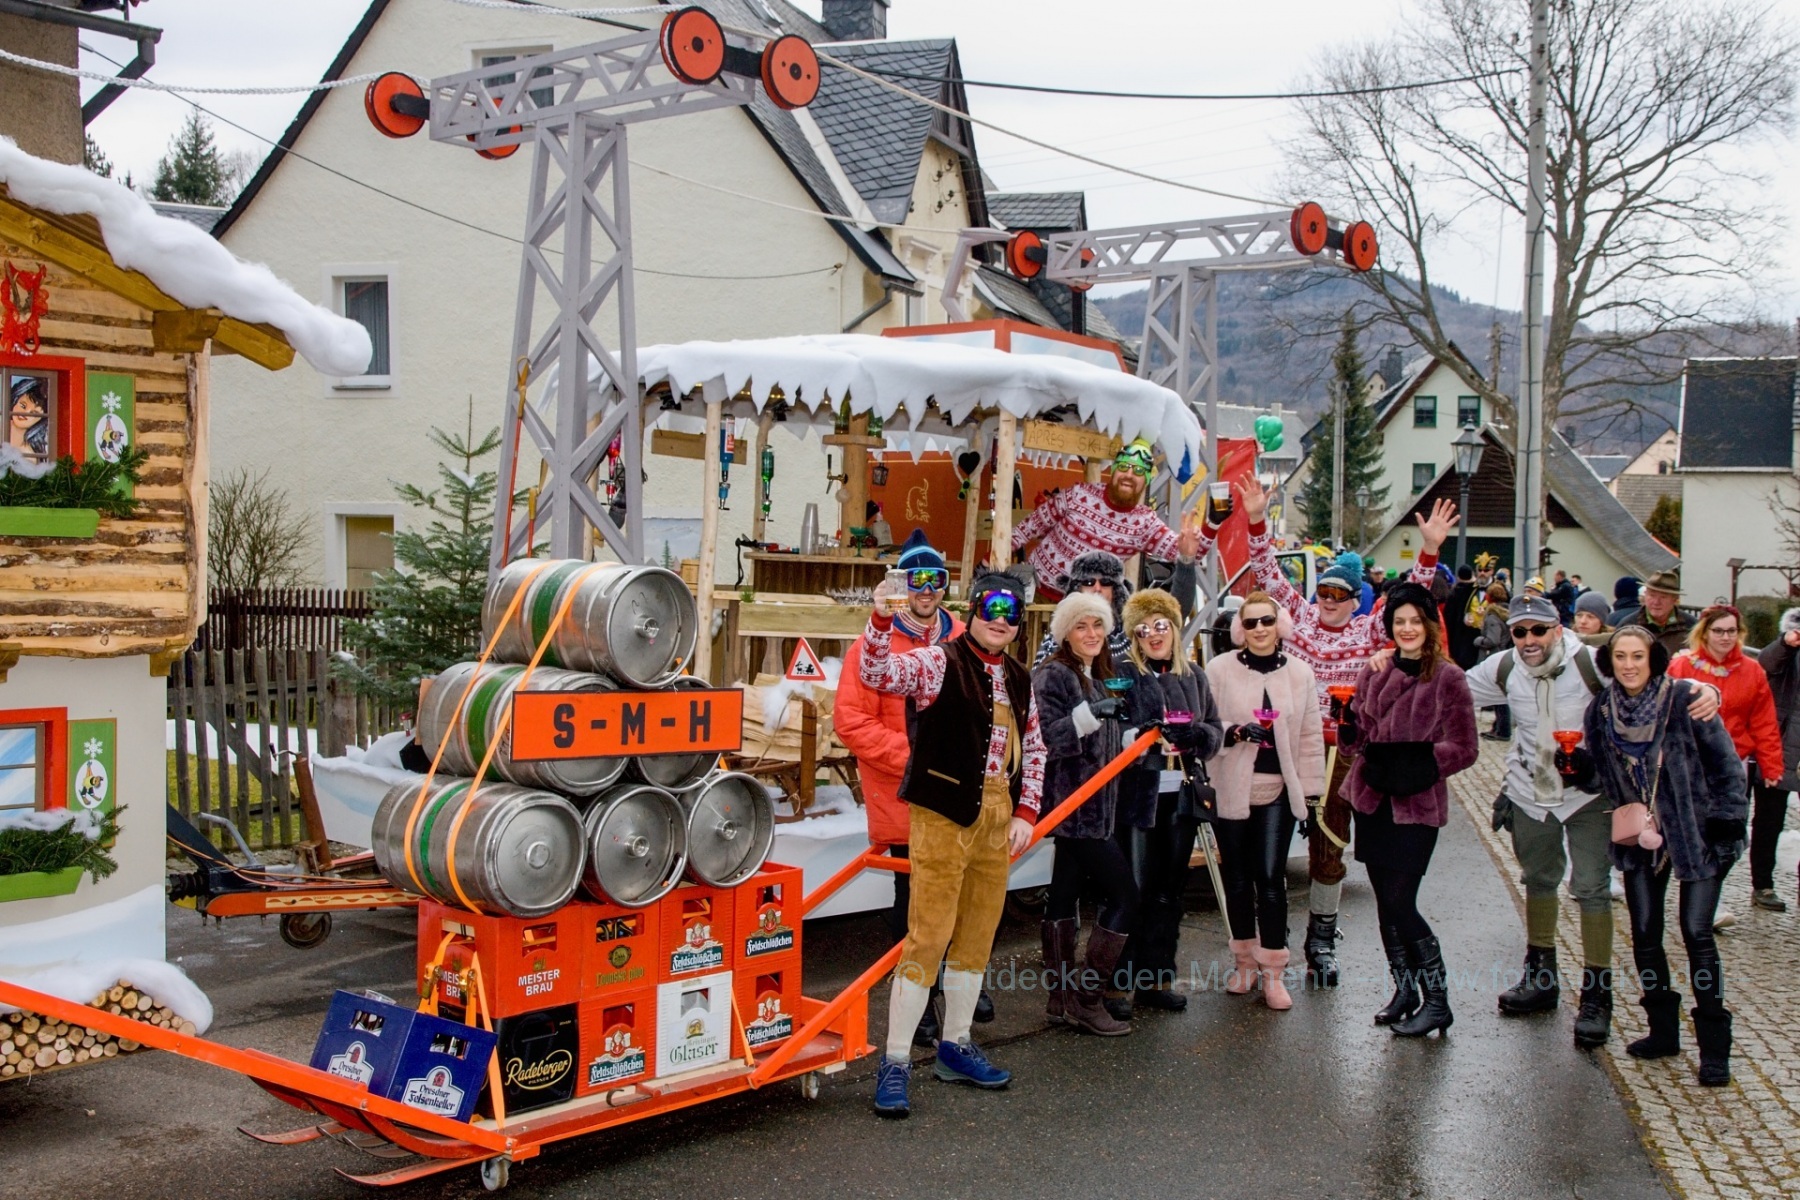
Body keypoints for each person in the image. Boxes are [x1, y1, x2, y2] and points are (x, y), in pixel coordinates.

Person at [1461, 595, 1720, 1048]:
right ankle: (1541, 977)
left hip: (1588, 794)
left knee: (1592, 889)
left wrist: (1706, 690)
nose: (1528, 640)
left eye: (1538, 630)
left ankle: (1597, 996)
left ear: (1557, 630)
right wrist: (1392, 661)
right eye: (1520, 631)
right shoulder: (1504, 667)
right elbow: (1449, 689)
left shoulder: (1589, 663)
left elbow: (1647, 678)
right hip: (1530, 794)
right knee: (1538, 880)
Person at [1238, 473, 1459, 985]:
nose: (1332, 598)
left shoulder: (1369, 630)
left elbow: (1412, 596)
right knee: (1295, 844)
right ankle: (1284, 940)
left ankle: (1323, 933)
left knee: (1345, 845)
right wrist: (1254, 519)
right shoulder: (1300, 622)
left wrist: (1428, 550)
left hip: (1355, 751)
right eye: (1326, 591)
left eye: (1342, 591)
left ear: (1356, 596)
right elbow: (1267, 573)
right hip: (1301, 748)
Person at [857, 567, 1047, 1117]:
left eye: (1012, 612)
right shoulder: (939, 658)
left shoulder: (1020, 676)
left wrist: (1027, 812)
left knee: (977, 936)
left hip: (997, 818)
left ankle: (956, 1046)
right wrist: (878, 618)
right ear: (972, 610)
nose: (1000, 620)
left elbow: (1033, 749)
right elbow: (878, 672)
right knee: (928, 938)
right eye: (991, 607)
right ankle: (894, 1062)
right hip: (941, 815)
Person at [1585, 627, 1747, 1085]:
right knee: (1644, 932)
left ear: (1654, 659)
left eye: (1638, 656)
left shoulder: (1686, 700)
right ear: (1610, 661)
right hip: (1640, 833)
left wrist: (1727, 822)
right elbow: (1599, 778)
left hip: (1699, 832)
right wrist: (1575, 768)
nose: (1630, 665)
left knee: (1697, 932)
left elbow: (1728, 767)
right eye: (1621, 657)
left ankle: (1714, 1048)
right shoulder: (1601, 711)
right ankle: (1663, 1031)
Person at [836, 530, 969, 1043]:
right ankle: (919, 1004)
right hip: (903, 791)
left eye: (936, 578)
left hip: (958, 789)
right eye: (917, 579)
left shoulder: (964, 639)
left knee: (960, 892)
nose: (927, 589)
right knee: (913, 899)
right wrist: (914, 759)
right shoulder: (871, 646)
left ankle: (956, 989)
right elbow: (850, 721)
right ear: (901, 585)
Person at [1341, 583, 1479, 1037]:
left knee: (1402, 902)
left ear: (1429, 625)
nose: (1406, 629)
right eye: (1399, 622)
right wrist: (1347, 725)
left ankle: (1438, 1001)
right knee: (1385, 904)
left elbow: (1465, 747)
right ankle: (1406, 991)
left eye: (1414, 621)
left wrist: (1416, 763)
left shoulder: (1448, 677)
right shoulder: (1374, 671)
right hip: (1374, 798)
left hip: (1415, 803)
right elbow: (1357, 737)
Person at [1204, 592, 1326, 1011]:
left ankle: (1274, 971)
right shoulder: (1218, 669)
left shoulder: (1300, 674)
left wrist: (1311, 794)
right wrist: (1234, 732)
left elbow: (1310, 736)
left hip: (1278, 788)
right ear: (1240, 628)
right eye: (1251, 622)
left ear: (1280, 625)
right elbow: (1205, 725)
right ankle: (1244, 963)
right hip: (1231, 785)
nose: (1259, 630)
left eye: (1266, 621)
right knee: (1236, 878)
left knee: (1271, 879)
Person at [1113, 587, 1225, 1015]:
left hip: (1181, 794)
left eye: (1160, 626)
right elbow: (1112, 731)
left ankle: (1156, 978)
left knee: (1168, 893)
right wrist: (1141, 737)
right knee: (1133, 890)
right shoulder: (1124, 672)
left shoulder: (1194, 675)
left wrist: (1195, 736)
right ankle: (1118, 982)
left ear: (1175, 629)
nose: (1153, 635)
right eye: (1142, 629)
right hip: (1138, 796)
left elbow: (1214, 728)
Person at [1034, 593, 1137, 1035]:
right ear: (1065, 632)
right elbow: (1047, 738)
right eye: (1081, 626)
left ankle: (1060, 999)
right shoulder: (1054, 674)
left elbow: (1104, 743)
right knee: (1125, 896)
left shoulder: (1099, 674)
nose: (1092, 634)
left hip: (1097, 807)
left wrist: (1136, 736)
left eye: (1098, 625)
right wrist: (1090, 713)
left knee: (1063, 897)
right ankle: (1088, 997)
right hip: (1076, 809)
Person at [1669, 605, 1785, 912]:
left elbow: (1764, 722)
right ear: (1704, 632)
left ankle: (1709, 895)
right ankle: (1700, 898)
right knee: (1693, 832)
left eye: (1731, 631)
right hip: (1692, 766)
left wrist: (1772, 766)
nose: (1725, 637)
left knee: (1728, 834)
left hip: (1734, 768)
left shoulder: (1752, 670)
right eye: (1718, 631)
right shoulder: (1683, 666)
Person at [1011, 439, 1184, 603]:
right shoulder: (1079, 494)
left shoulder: (1145, 523)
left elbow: (1186, 553)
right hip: (1034, 593)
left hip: (1084, 610)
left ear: (1146, 480)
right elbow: (1030, 526)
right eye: (1123, 467)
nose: (1129, 475)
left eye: (1139, 471)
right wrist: (995, 556)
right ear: (1113, 470)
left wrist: (1210, 525)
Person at [1031, 533, 1200, 667]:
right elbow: (1038, 689)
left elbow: (1175, 611)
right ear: (1077, 588)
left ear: (1116, 590)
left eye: (1105, 582)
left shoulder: (1132, 631)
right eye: (1089, 582)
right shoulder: (1057, 638)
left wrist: (1186, 560)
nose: (1097, 588)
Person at [1759, 608, 1800, 907]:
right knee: (1769, 820)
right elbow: (1766, 663)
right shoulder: (1790, 638)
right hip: (1779, 743)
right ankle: (1763, 885)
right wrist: (1787, 642)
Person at [1610, 569, 1693, 653]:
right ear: (1645, 595)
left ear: (1675, 600)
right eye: (1652, 595)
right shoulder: (1628, 625)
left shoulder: (1691, 626)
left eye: (1663, 597)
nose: (1656, 602)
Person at [1475, 581, 1513, 741]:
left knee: (1497, 695)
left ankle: (1502, 730)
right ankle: (1499, 727)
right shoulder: (1507, 612)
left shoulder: (1492, 616)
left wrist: (1478, 640)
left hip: (1495, 656)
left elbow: (1493, 639)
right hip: (1505, 655)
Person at [1446, 565, 1483, 669]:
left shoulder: (1454, 592)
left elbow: (1448, 616)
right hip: (1471, 633)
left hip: (1455, 633)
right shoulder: (1474, 590)